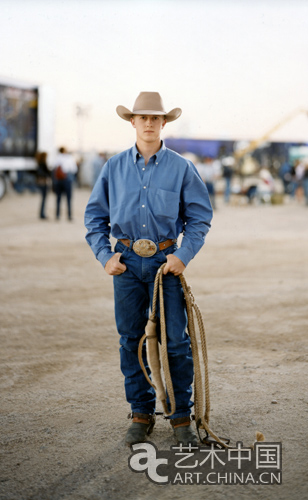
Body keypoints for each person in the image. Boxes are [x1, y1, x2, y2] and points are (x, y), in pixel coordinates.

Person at [84, 92, 213, 447]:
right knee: (131, 339)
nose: (149, 123)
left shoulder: (182, 167)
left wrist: (183, 255)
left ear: (164, 123)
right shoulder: (113, 168)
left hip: (165, 265)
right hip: (126, 263)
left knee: (175, 342)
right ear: (133, 122)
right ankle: (141, 414)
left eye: (156, 118)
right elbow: (95, 217)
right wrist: (104, 255)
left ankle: (181, 416)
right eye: (143, 118)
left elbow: (200, 217)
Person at [53, 147, 78, 221]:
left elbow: (53, 168)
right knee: (69, 198)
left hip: (58, 180)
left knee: (58, 198)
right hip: (67, 179)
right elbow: (74, 169)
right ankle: (69, 215)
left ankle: (57, 215)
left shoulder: (57, 158)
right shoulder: (69, 158)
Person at [35, 152, 51, 219]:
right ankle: (42, 214)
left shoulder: (38, 163)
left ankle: (42, 213)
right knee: (44, 199)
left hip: (40, 182)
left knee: (43, 199)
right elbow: (47, 173)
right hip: (44, 182)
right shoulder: (43, 164)